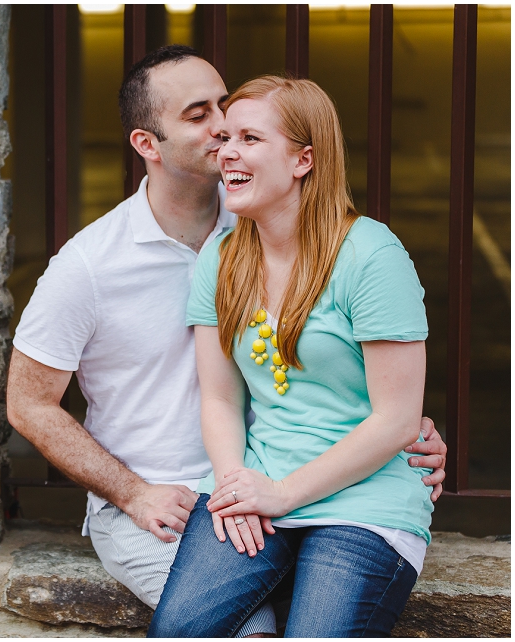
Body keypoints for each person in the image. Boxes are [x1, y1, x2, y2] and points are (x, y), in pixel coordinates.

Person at [7, 47, 446, 636]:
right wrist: (134, 493)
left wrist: (401, 428)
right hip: (181, 502)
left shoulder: (255, 222)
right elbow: (28, 403)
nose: (222, 131)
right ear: (147, 145)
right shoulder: (90, 264)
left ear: (301, 160)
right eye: (199, 115)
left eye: (228, 109)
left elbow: (349, 383)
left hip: (274, 483)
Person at [149, 75, 435, 638]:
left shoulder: (371, 256)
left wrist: (282, 494)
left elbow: (398, 420)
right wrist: (236, 485)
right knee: (177, 632)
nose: (227, 150)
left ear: (304, 159)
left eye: (250, 138)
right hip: (258, 480)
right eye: (225, 137)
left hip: (365, 499)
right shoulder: (222, 260)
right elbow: (220, 399)